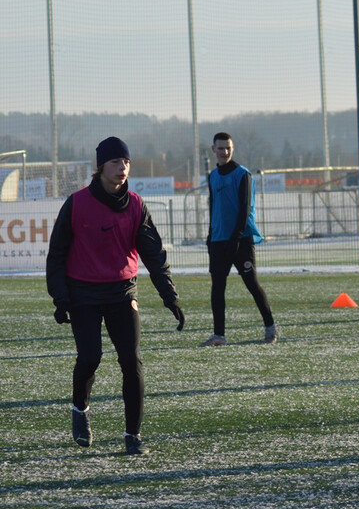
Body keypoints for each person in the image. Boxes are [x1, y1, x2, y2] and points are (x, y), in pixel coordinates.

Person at [46, 136, 185, 456]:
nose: (122, 168)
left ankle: (133, 436)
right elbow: (57, 254)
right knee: (90, 358)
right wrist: (61, 298)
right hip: (83, 293)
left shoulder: (136, 204)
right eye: (114, 162)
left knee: (131, 360)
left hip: (122, 292)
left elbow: (154, 253)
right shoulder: (77, 203)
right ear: (100, 167)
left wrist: (169, 296)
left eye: (126, 162)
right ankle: (80, 410)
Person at [200, 131, 277, 347]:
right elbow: (213, 206)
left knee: (252, 284)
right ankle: (219, 335)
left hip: (241, 240)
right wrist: (210, 234)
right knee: (217, 287)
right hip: (218, 240)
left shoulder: (243, 174)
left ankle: (270, 327)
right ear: (213, 149)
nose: (224, 152)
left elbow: (245, 208)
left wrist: (235, 237)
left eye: (228, 148)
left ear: (232, 149)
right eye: (221, 148)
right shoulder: (212, 176)